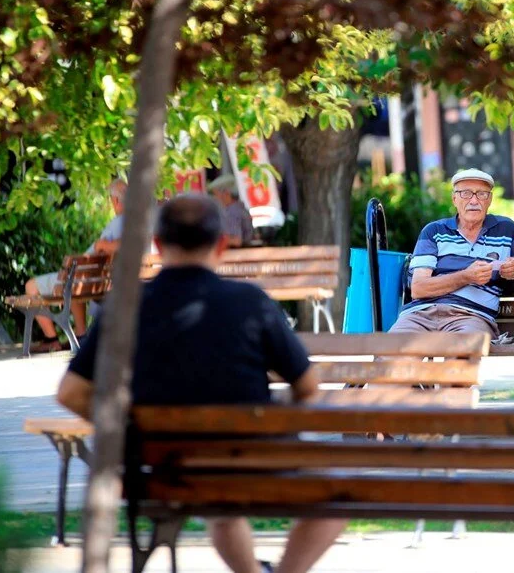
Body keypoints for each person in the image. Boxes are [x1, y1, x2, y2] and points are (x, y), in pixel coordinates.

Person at [55, 194, 344, 573]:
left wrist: (126, 424)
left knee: (221, 510)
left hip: (159, 470)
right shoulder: (249, 302)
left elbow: (70, 393)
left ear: (157, 245)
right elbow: (307, 387)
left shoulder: (125, 306)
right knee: (336, 496)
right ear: (221, 245)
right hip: (248, 462)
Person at [389, 168, 514, 336]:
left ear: (490, 199)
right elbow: (419, 289)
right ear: (454, 199)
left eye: (481, 194)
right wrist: (466, 276)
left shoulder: (506, 230)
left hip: (471, 317)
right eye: (465, 193)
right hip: (420, 315)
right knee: (391, 355)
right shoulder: (434, 231)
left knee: (460, 356)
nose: (473, 200)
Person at [23, 178, 128, 352]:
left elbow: (113, 246)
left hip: (80, 279)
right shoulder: (136, 225)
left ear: (116, 201)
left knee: (31, 285)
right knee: (75, 280)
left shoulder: (118, 223)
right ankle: (81, 336)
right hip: (90, 280)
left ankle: (51, 339)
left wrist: (99, 245)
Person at [209, 173, 254, 247]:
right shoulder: (239, 208)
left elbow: (236, 240)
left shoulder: (232, 212)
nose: (214, 198)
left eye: (215, 194)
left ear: (226, 194)